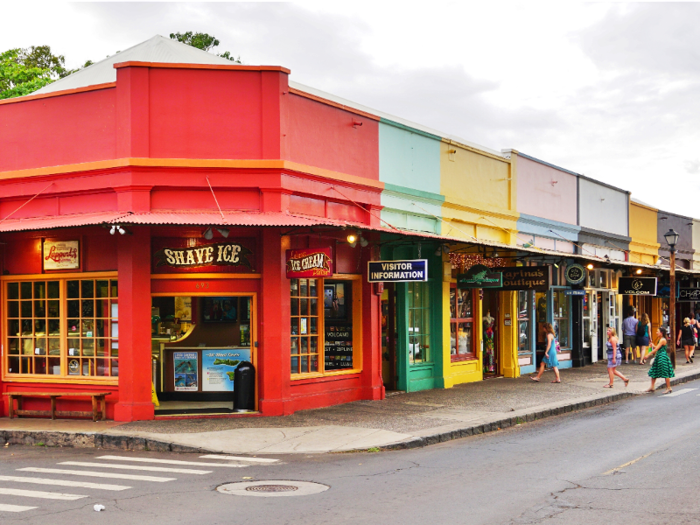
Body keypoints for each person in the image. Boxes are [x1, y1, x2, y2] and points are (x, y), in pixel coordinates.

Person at [645, 326, 675, 394]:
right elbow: (657, 347)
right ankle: (652, 386)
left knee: (665, 372)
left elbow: (656, 349)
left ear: (661, 333)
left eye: (657, 331)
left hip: (662, 357)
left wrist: (648, 355)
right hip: (659, 356)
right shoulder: (660, 339)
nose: (656, 333)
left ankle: (668, 387)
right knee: (654, 371)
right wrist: (653, 345)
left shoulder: (662, 340)